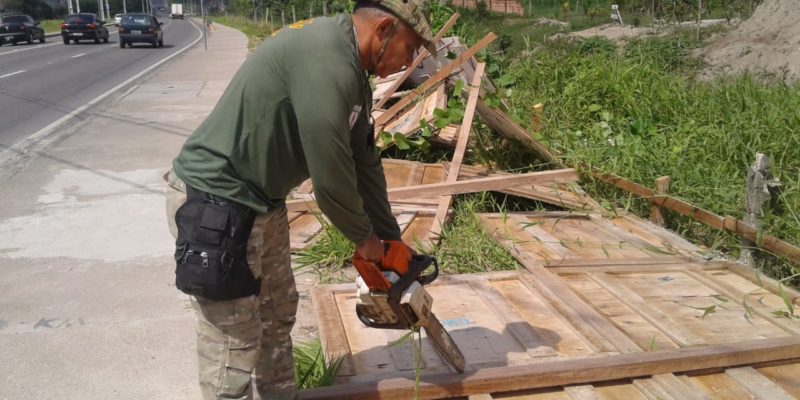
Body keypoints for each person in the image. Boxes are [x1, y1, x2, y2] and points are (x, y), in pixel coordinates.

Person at [164, 0, 436, 398]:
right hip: (217, 202)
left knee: (276, 318)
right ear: (383, 30)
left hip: (263, 202)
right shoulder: (327, 59)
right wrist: (365, 240)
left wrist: (392, 242)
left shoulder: (354, 72)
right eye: (409, 48)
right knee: (233, 342)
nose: (408, 62)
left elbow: (364, 164)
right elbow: (331, 177)